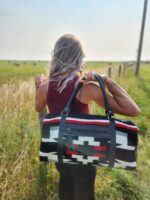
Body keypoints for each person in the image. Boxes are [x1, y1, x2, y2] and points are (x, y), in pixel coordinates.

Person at [35, 34, 141, 200]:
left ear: (56, 56)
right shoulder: (84, 88)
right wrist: (106, 81)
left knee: (65, 190)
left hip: (59, 152)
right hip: (83, 154)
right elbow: (133, 109)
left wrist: (38, 85)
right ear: (78, 57)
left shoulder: (45, 87)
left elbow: (38, 107)